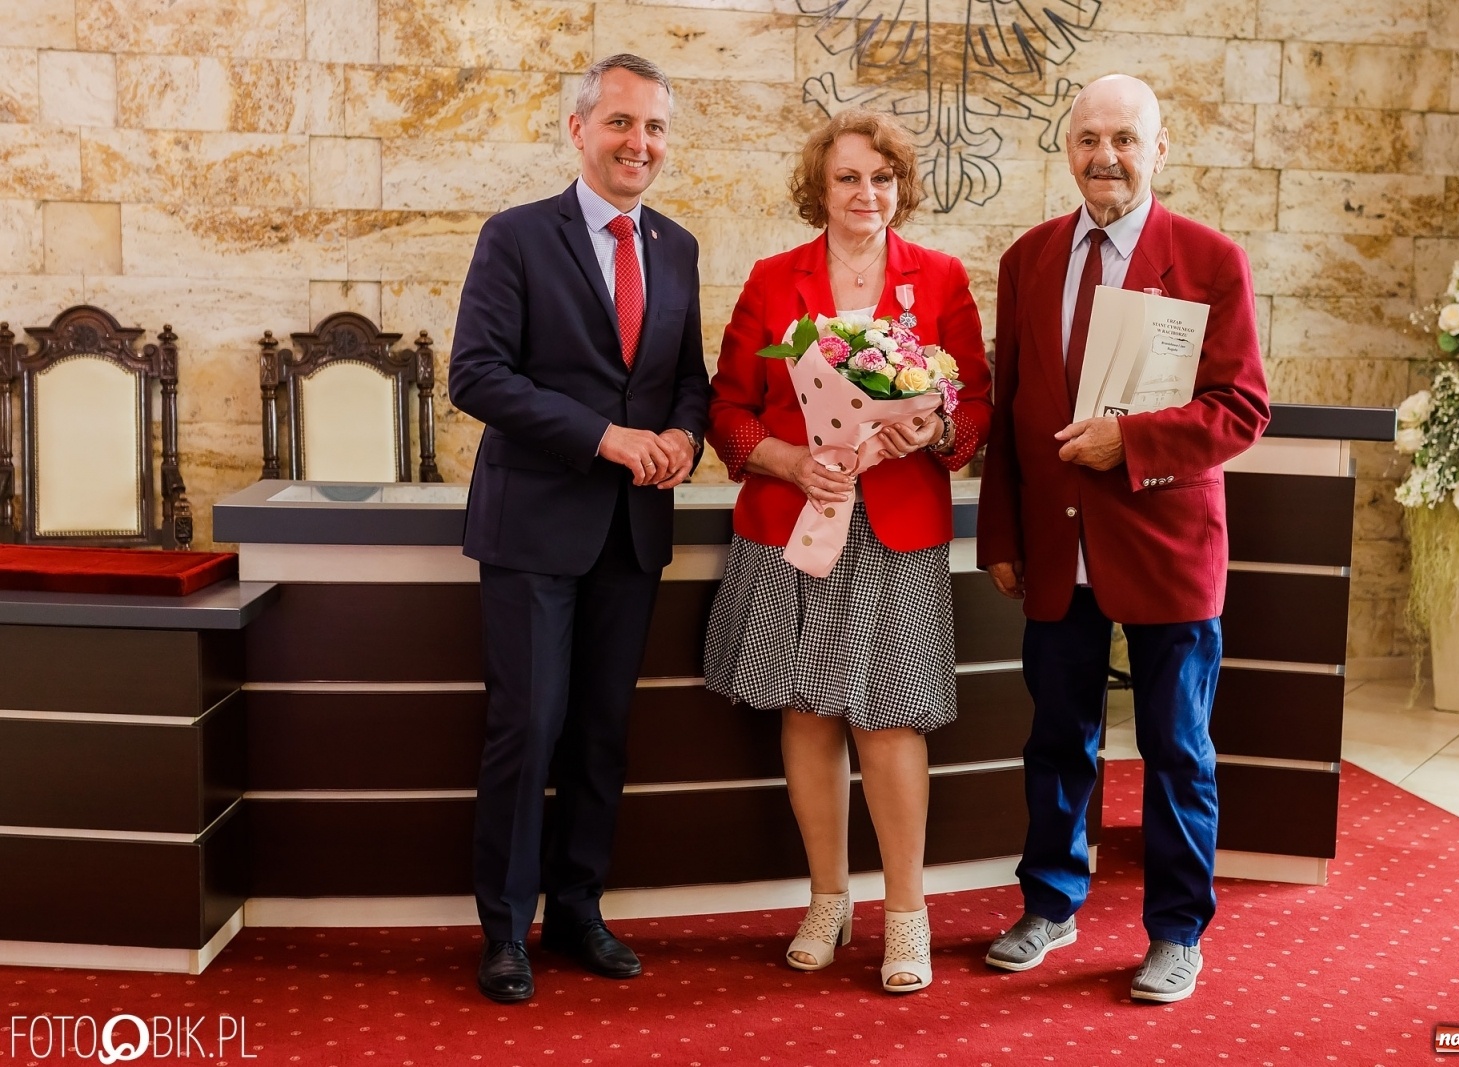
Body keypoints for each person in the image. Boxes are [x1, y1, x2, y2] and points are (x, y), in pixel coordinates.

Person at [975, 74, 1270, 1003]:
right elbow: (1011, 409)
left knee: (1177, 749)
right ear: (1068, 149)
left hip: (1166, 545)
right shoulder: (1027, 259)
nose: (1105, 156)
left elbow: (1241, 407)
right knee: (1057, 738)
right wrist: (1000, 533)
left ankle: (1178, 930)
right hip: (1056, 549)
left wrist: (1130, 442)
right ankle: (1050, 903)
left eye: (1125, 139)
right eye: (1088, 138)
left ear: (1160, 149)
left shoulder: (1211, 260)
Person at [704, 108, 992, 994]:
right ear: (819, 189)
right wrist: (789, 460)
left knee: (890, 716)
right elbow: (727, 408)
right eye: (848, 178)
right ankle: (828, 899)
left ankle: (907, 913)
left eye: (882, 177)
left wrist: (932, 428)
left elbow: (975, 405)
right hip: (796, 519)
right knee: (806, 711)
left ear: (900, 186)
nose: (866, 193)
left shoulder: (939, 277)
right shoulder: (772, 279)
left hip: (896, 526)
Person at [448, 52, 711, 1004]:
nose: (640, 143)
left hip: (631, 534)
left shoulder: (676, 247)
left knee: (602, 732)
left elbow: (688, 377)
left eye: (655, 127)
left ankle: (578, 910)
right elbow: (476, 374)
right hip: (533, 529)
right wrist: (605, 437)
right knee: (529, 728)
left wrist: (683, 434)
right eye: (621, 122)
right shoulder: (517, 236)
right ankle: (504, 930)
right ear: (579, 130)